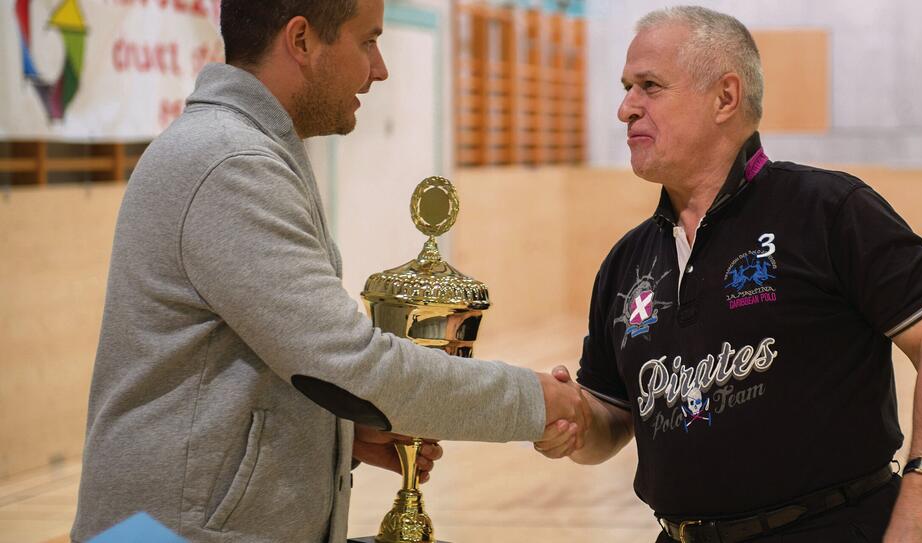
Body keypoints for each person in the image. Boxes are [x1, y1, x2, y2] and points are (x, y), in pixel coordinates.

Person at [71, 1, 587, 541]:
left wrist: (335, 434)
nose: (380, 68)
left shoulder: (245, 148)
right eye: (367, 41)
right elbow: (349, 364)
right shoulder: (232, 164)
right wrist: (531, 400)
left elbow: (265, 362)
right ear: (301, 41)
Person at [533, 6, 922, 542]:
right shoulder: (626, 262)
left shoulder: (831, 211)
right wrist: (577, 425)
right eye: (628, 87)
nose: (626, 108)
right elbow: (614, 417)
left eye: (649, 86)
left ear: (725, 97)